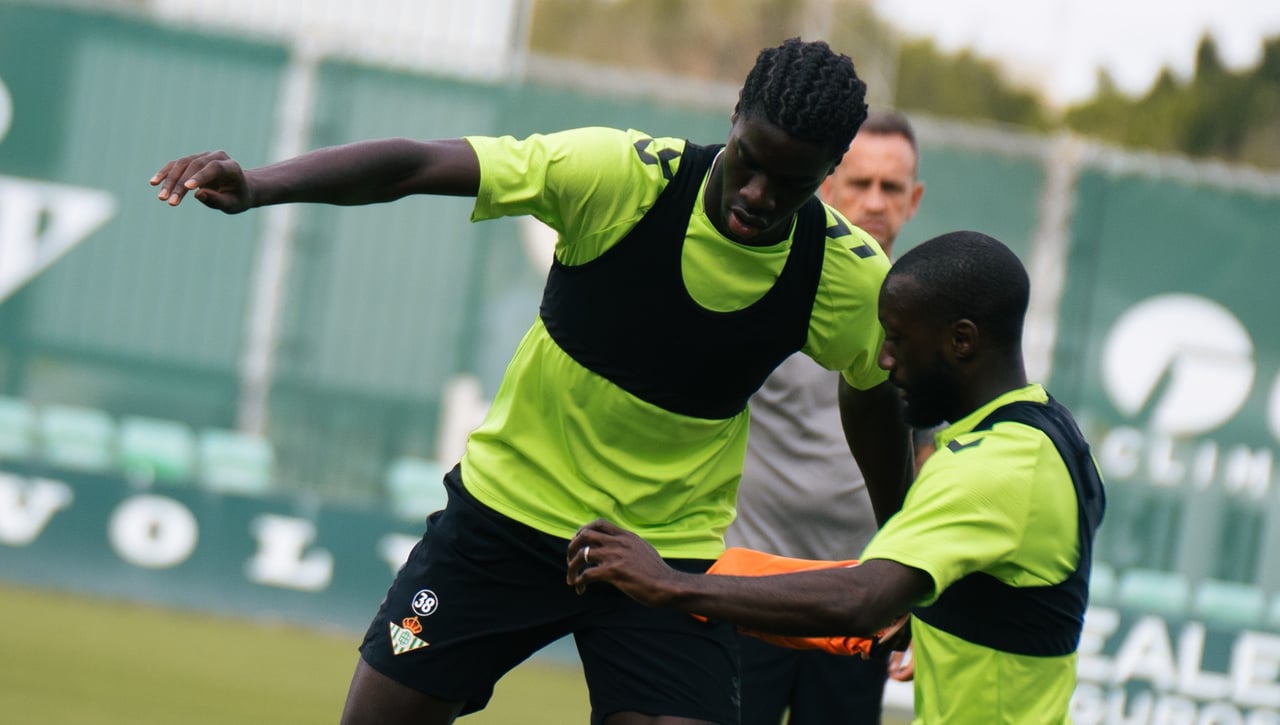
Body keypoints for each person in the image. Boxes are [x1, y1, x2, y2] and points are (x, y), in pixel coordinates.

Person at [150, 38, 912, 725]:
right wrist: (260, 185)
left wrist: (903, 542)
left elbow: (872, 394)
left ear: (828, 172)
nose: (758, 196)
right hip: (503, 521)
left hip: (660, 556)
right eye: (750, 160)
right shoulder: (619, 179)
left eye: (792, 182)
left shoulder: (842, 275)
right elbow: (417, 163)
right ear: (735, 115)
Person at [568, 230, 1106, 724]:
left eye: (897, 339)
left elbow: (865, 598)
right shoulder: (1050, 433)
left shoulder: (988, 470)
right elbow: (991, 599)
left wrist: (669, 584)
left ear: (961, 341)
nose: (887, 359)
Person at [726, 108, 924, 725]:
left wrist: (918, 588)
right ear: (828, 185)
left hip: (856, 605)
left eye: (890, 188)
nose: (874, 201)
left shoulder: (929, 317)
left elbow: (929, 461)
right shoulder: (768, 282)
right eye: (859, 183)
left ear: (913, 200)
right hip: (749, 589)